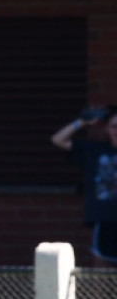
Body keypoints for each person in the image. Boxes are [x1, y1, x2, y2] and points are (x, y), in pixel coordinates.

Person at [51, 106, 117, 263]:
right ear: (107, 129)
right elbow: (58, 140)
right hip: (104, 219)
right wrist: (81, 122)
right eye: (115, 127)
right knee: (100, 271)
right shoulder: (94, 150)